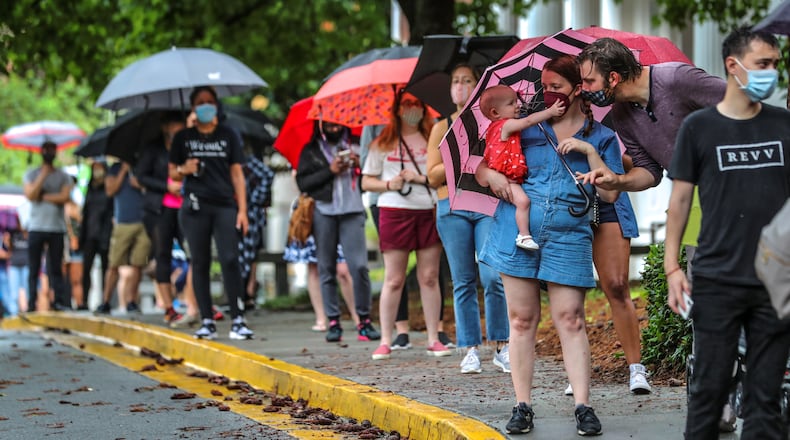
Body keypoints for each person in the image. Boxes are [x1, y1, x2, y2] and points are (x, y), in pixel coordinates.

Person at [476, 54, 624, 436]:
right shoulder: (525, 127)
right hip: (516, 233)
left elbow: (609, 196)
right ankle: (522, 405)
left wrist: (590, 154)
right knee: (521, 320)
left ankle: (583, 406)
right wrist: (492, 175)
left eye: (556, 86)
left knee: (571, 319)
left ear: (577, 90)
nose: (547, 93)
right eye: (543, 85)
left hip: (569, 235)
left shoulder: (602, 136)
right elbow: (482, 166)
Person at [576, 37, 727, 398]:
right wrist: (619, 181)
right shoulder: (622, 118)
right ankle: (720, 388)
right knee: (703, 295)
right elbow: (649, 171)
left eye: (589, 82)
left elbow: (740, 105)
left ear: (612, 77)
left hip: (737, 189)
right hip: (692, 200)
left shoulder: (676, 79)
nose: (585, 91)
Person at [664, 26, 790, 440]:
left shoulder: (783, 125)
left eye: (775, 65)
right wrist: (672, 270)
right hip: (718, 279)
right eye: (762, 64)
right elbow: (680, 202)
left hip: (775, 283)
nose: (770, 73)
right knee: (708, 395)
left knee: (766, 400)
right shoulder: (700, 128)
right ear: (733, 67)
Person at [425, 63, 510, 374]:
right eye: (456, 81)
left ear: (478, 86)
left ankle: (502, 344)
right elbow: (432, 175)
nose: (460, 86)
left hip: (486, 205)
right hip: (450, 208)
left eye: (467, 81)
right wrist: (461, 163)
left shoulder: (489, 123)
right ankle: (470, 348)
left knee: (492, 277)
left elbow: (500, 162)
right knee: (462, 280)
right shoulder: (441, 126)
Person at [362, 91, 451, 360]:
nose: (412, 109)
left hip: (427, 209)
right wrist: (390, 184)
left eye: (417, 103)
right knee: (394, 279)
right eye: (407, 104)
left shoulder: (432, 138)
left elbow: (441, 174)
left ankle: (434, 337)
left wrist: (419, 178)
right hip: (394, 211)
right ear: (397, 109)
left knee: (429, 277)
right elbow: (366, 181)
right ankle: (386, 339)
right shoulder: (382, 142)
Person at [169, 86, 253, 341]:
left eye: (210, 101)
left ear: (216, 105)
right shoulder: (183, 138)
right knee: (200, 261)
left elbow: (237, 174)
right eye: (200, 102)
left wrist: (243, 210)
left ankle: (238, 318)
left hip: (225, 205)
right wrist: (185, 168)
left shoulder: (229, 135)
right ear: (193, 107)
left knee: (230, 258)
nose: (206, 106)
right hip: (195, 207)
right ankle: (206, 319)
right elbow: (172, 173)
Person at [296, 121, 378, 343]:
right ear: (321, 123)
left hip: (352, 211)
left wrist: (359, 164)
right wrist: (329, 171)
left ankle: (364, 319)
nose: (334, 127)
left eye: (337, 123)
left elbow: (373, 173)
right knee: (326, 267)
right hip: (324, 212)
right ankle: (333, 321)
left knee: (359, 266)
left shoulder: (356, 145)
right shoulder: (311, 150)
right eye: (329, 124)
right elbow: (303, 182)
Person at [480, 84, 566, 251]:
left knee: (522, 202)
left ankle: (524, 235)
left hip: (508, 177)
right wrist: (550, 112)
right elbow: (528, 121)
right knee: (524, 202)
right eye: (511, 103)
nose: (517, 105)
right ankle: (524, 235)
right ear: (495, 113)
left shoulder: (493, 129)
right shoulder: (504, 125)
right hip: (507, 180)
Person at [136, 111, 187, 324]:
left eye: (179, 124)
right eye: (172, 125)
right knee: (162, 254)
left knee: (192, 254)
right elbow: (141, 176)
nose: (175, 129)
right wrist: (166, 186)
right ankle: (168, 307)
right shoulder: (153, 148)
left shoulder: (188, 147)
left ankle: (192, 301)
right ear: (165, 127)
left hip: (185, 207)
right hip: (159, 208)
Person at [95, 160, 151, 315]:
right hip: (123, 222)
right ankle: (105, 301)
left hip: (143, 220)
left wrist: (140, 184)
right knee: (114, 263)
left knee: (138, 263)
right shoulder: (116, 168)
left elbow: (153, 188)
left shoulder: (144, 165)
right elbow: (110, 190)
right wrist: (123, 171)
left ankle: (131, 301)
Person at [23, 141, 73, 311]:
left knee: (56, 268)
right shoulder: (32, 174)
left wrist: (43, 197)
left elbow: (65, 197)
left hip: (56, 228)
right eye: (46, 150)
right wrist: (43, 176)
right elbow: (30, 195)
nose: (49, 152)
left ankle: (58, 301)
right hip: (36, 227)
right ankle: (31, 303)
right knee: (33, 268)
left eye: (52, 149)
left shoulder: (63, 175)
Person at [238, 151, 274, 310]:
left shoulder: (248, 160)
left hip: (251, 213)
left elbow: (268, 175)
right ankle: (240, 294)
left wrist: (254, 200)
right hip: (231, 210)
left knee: (250, 252)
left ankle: (248, 292)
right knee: (237, 254)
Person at [79, 160, 113, 313]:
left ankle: (105, 301)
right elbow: (85, 214)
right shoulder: (90, 188)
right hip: (90, 235)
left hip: (105, 234)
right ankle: (84, 301)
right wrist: (82, 236)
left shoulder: (108, 189)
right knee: (86, 269)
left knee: (106, 269)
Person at [64, 193, 86, 310]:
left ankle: (79, 303)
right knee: (62, 278)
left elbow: (83, 222)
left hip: (76, 247)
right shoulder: (59, 208)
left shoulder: (77, 207)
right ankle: (63, 303)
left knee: (77, 279)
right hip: (62, 246)